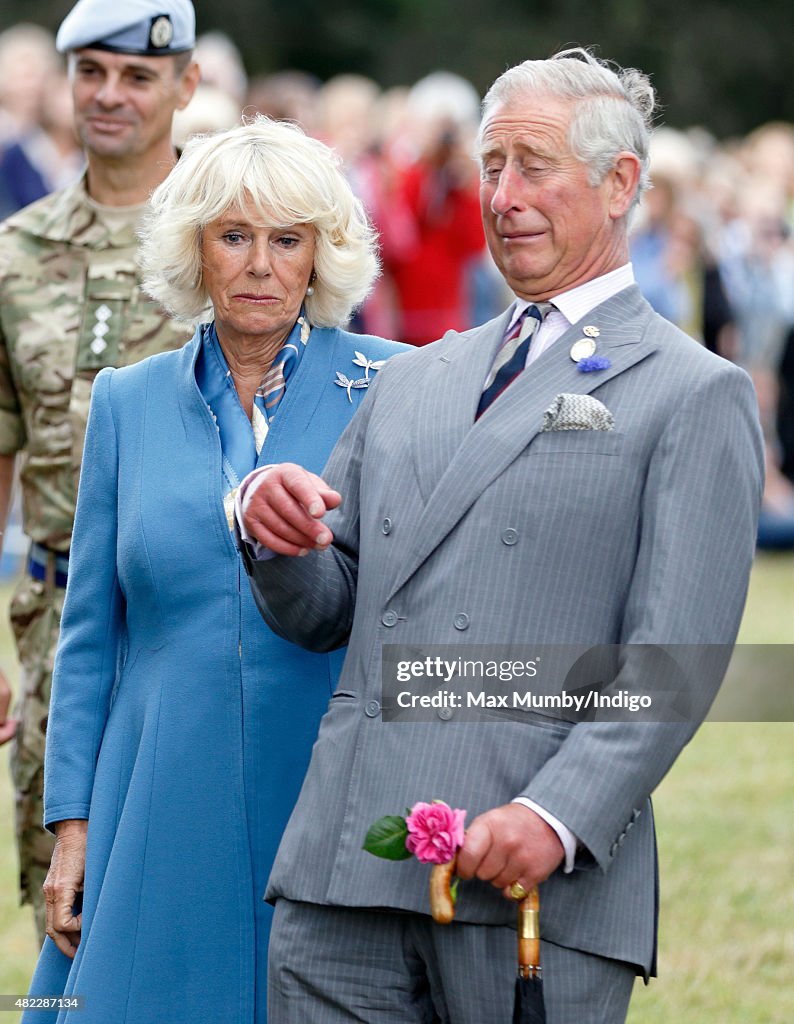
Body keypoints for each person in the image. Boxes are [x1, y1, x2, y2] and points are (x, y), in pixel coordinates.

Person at [240, 49, 764, 1022]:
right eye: (489, 165)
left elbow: (675, 658)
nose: (503, 194)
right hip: (339, 873)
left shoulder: (691, 392)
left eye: (534, 165)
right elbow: (328, 612)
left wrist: (554, 815)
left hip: (525, 886)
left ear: (619, 185)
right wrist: (279, 538)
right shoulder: (414, 377)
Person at [24, 116, 404, 1024]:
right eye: (234, 236)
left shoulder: (396, 385)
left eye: (287, 239)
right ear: (196, 250)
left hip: (324, 778)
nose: (261, 265)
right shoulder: (125, 400)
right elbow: (89, 639)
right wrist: (72, 827)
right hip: (156, 781)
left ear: (324, 252)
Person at [0, 0, 200, 942]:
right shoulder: (16, 255)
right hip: (53, 627)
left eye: (138, 74)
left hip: (194, 620)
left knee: (194, 901)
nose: (109, 95)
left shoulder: (232, 239)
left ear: (186, 84)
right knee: (64, 911)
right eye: (92, 71)